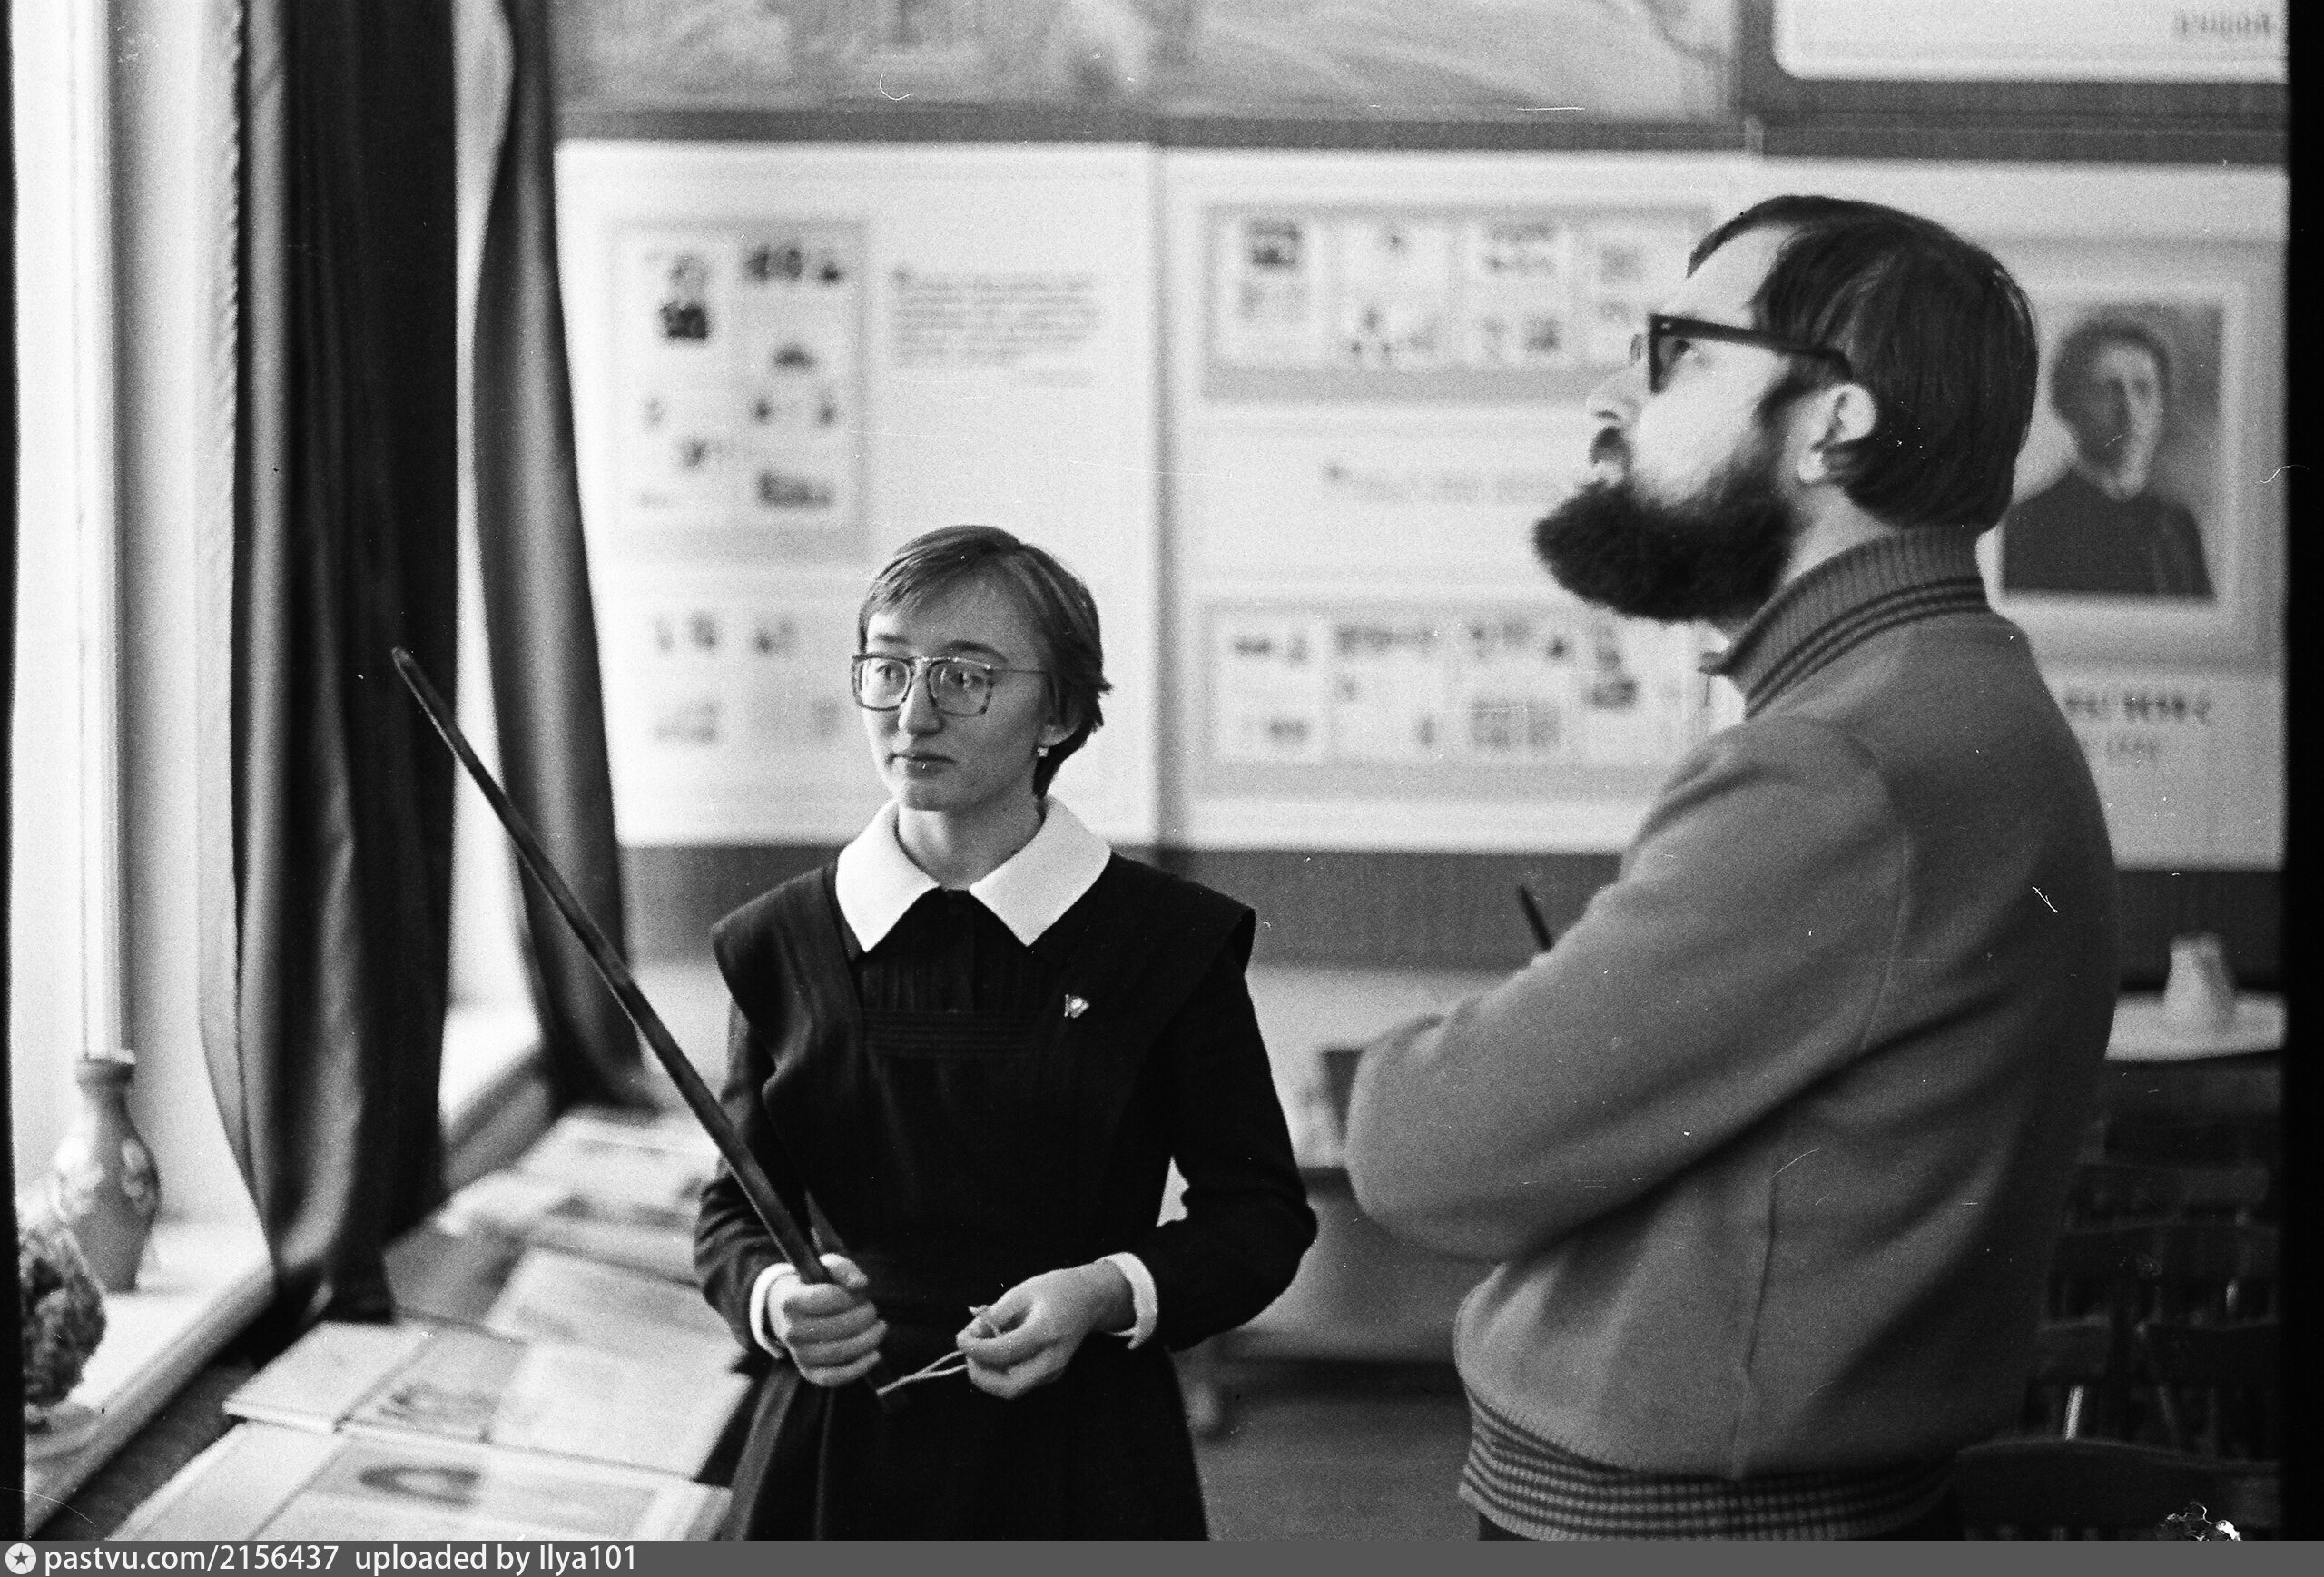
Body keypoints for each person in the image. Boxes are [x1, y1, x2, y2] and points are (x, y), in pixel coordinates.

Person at [1344, 196, 2120, 1541]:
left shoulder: (1842, 762)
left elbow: (1419, 1151)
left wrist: (1451, 1057)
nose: (1610, 400)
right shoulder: (1941, 697)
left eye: (1677, 354)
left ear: (1834, 422)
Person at [694, 524, 1315, 1538]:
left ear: (1058, 712)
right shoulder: (778, 940)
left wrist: (1105, 1290)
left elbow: (1259, 1217)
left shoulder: (1168, 941)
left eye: (965, 676)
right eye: (888, 669)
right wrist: (772, 1298)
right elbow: (733, 1210)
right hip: (834, 1450)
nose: (913, 712)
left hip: (1082, 1451)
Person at [2001, 317, 2212, 597]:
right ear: (2070, 405)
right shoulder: (2026, 526)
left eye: (2144, 389)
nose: (2130, 411)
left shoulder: (2178, 525)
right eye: (2108, 390)